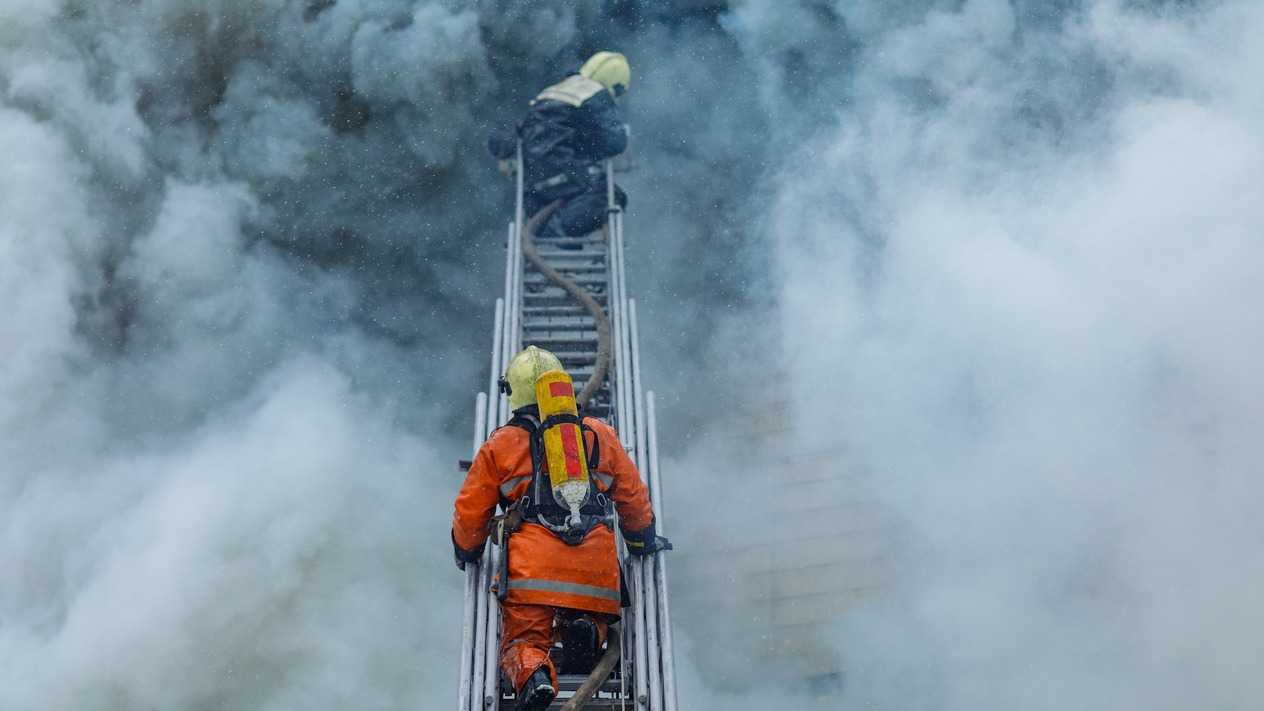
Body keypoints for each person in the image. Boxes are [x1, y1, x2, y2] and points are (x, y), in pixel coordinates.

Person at [452, 346, 671, 711]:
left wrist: (468, 551)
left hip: (532, 574)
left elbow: (469, 513)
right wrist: (641, 540)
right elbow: (632, 495)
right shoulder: (597, 433)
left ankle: (535, 676)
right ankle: (585, 628)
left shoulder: (501, 445)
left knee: (523, 639)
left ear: (514, 393)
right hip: (594, 568)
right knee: (589, 612)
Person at [488, 51, 631, 238]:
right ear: (616, 86)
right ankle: (557, 230)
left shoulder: (552, 92)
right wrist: (590, 151)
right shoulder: (594, 92)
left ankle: (546, 229)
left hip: (534, 189)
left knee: (574, 197)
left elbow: (534, 132)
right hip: (564, 174)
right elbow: (615, 142)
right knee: (611, 196)